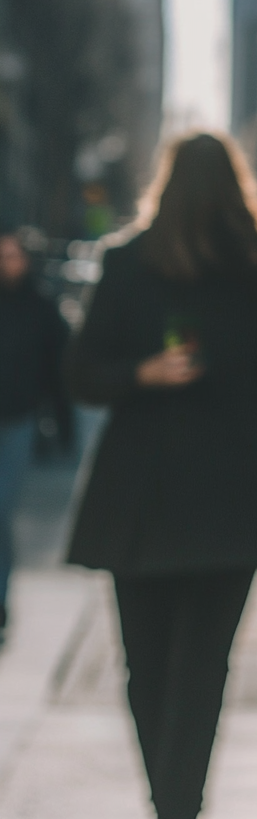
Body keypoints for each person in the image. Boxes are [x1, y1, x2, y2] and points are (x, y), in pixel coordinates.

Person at [67, 133, 257, 819]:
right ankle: (182, 805)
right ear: (236, 188)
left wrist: (138, 375)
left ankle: (170, 803)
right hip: (234, 499)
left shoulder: (126, 264)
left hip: (137, 500)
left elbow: (81, 375)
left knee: (144, 667)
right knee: (203, 669)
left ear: (167, 184)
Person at [0, 231, 70, 641]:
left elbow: (59, 372)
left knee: (1, 511)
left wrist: (62, 427)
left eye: (12, 255)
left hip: (18, 422)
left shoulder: (41, 309)